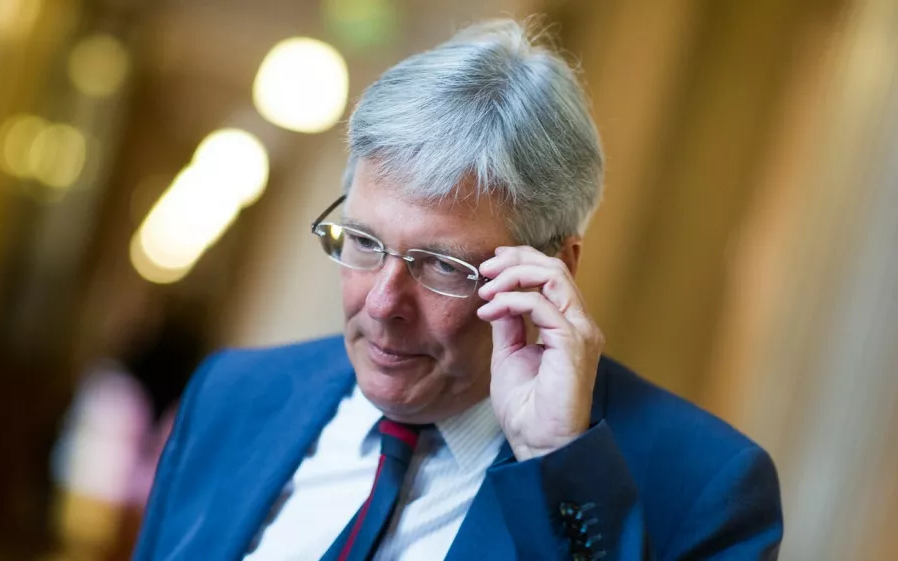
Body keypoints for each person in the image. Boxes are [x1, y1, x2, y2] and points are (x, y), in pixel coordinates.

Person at [133, 19, 783, 561]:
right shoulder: (232, 395)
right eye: (364, 241)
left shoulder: (707, 488)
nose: (382, 303)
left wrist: (555, 461)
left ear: (552, 270)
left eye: (442, 265)